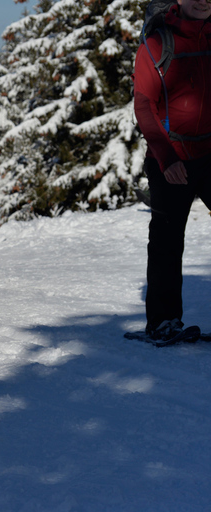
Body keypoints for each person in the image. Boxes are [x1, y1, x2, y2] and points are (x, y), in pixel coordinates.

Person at [132, 0, 211, 340]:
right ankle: (163, 321)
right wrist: (166, 156)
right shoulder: (156, 43)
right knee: (166, 240)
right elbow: (143, 105)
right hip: (172, 158)